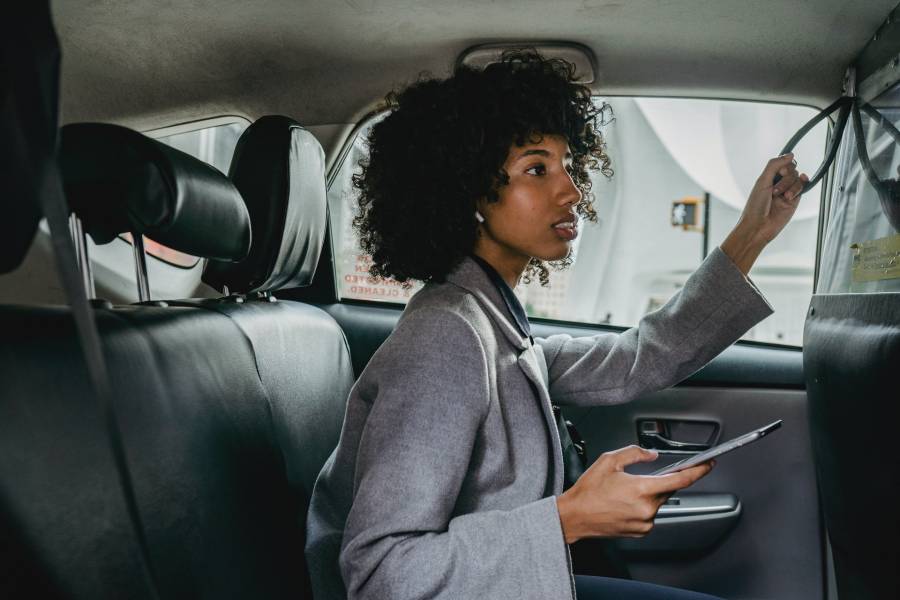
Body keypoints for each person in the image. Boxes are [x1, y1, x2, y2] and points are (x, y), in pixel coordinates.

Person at [305, 50, 808, 600]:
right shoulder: (444, 339)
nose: (571, 190)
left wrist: (752, 234)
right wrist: (569, 518)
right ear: (467, 190)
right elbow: (380, 574)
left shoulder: (491, 319)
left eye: (568, 165)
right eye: (536, 169)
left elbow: (641, 357)